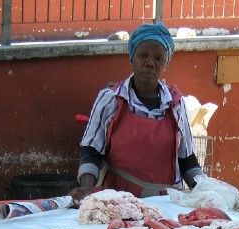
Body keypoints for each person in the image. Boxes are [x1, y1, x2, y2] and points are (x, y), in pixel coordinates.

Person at [69, 22, 205, 206]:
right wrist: (86, 188)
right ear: (131, 58)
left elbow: (187, 160)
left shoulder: (176, 105)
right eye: (143, 55)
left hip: (165, 205)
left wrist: (207, 191)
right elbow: (91, 151)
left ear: (166, 63)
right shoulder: (111, 99)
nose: (150, 63)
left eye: (158, 58)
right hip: (117, 202)